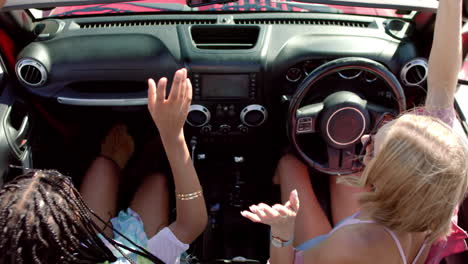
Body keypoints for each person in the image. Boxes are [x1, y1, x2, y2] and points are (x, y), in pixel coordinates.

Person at [241, 0, 468, 263]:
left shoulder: (352, 245)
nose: (363, 137)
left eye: (371, 150)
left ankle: (282, 171)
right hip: (395, 235)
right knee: (339, 167)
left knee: (290, 162)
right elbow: (442, 85)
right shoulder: (437, 185)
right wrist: (451, 4)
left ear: (384, 182)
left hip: (339, 246)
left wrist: (282, 232)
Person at [0, 68, 208, 264]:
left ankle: (123, 159)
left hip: (93, 249)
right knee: (156, 181)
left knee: (106, 167)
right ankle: (141, 157)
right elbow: (191, 223)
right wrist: (172, 136)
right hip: (129, 250)